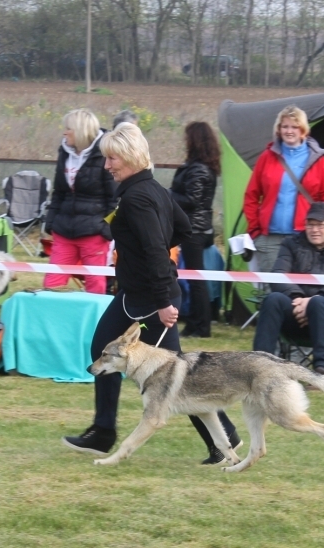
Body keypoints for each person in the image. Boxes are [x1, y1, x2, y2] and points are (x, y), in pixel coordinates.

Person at [61, 123, 241, 465]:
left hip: (149, 300)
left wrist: (161, 300)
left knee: (175, 375)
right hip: (137, 294)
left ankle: (224, 439)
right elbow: (183, 229)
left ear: (129, 156)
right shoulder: (153, 190)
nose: (106, 165)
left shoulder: (139, 197)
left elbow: (159, 249)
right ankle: (102, 430)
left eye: (111, 158)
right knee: (106, 348)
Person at [253, 202, 324, 376]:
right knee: (272, 299)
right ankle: (258, 367)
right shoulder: (291, 244)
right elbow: (278, 275)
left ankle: (323, 370)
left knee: (319, 303)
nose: (314, 230)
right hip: (295, 309)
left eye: (320, 225)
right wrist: (297, 297)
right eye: (310, 224)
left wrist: (316, 299)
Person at [243, 105, 324, 272]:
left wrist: (322, 231)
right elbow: (251, 195)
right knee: (272, 293)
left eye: (294, 127)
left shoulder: (318, 160)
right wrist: (255, 229)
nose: (289, 131)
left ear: (303, 130)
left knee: (301, 291)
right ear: (278, 130)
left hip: (304, 237)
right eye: (285, 126)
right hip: (270, 238)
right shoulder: (267, 157)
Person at [43, 108, 116, 294]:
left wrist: (106, 230)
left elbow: (115, 198)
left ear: (81, 131)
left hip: (94, 233)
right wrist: (50, 223)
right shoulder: (64, 153)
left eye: (69, 128)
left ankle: (97, 323)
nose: (64, 132)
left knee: (95, 285)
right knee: (52, 283)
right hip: (63, 231)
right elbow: (59, 192)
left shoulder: (107, 154)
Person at [171, 121, 220, 338]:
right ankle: (196, 323)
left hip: (194, 230)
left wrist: (166, 194)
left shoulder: (199, 169)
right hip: (195, 227)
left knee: (196, 280)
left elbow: (192, 199)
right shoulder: (200, 166)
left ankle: (200, 325)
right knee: (194, 278)